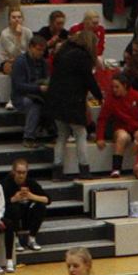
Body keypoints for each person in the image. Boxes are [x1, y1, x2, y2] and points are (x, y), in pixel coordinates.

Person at [48, 26, 101, 177]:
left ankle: (57, 171)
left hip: (56, 98)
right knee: (80, 134)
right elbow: (89, 79)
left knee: (62, 135)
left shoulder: (63, 50)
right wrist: (99, 96)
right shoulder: (83, 56)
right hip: (72, 100)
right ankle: (84, 169)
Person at [4, 156, 49, 255]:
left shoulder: (31, 182)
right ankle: (15, 239)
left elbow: (47, 199)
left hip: (27, 216)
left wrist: (31, 196)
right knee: (13, 207)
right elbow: (0, 204)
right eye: (19, 172)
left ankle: (32, 238)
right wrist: (14, 199)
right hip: (12, 216)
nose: (21, 175)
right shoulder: (6, 183)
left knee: (41, 206)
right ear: (13, 172)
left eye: (23, 172)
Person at [11, 31, 49, 143]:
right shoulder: (20, 62)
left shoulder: (43, 62)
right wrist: (38, 88)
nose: (41, 53)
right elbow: (18, 86)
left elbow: (46, 78)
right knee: (34, 104)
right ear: (30, 47)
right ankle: (28, 137)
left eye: (43, 50)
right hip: (21, 96)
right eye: (38, 50)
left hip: (39, 94)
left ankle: (52, 132)